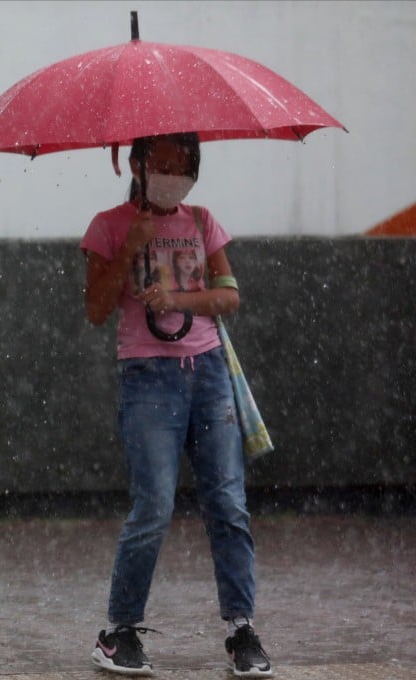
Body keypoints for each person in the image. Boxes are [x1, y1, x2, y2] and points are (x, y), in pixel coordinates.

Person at [80, 132, 273, 678]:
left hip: (208, 373)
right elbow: (96, 307)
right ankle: (118, 631)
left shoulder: (203, 220)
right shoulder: (108, 225)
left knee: (228, 504)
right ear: (138, 164)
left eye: (185, 163)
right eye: (163, 162)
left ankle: (241, 630)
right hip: (148, 379)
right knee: (154, 507)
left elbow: (228, 295)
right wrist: (130, 248)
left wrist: (180, 300)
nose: (175, 172)